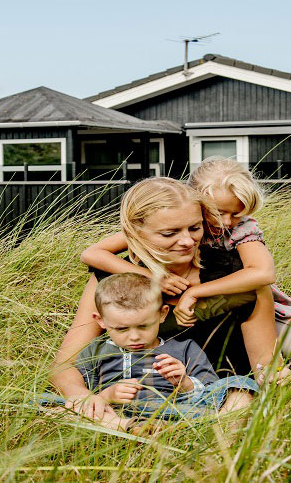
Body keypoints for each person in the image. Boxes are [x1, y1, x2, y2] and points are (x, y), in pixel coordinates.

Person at [51, 177, 278, 424]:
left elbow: (265, 362)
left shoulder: (236, 274)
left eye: (194, 228)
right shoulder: (112, 280)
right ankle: (132, 428)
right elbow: (64, 365)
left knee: (241, 396)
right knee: (52, 407)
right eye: (169, 233)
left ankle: (213, 449)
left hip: (215, 395)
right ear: (134, 233)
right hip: (131, 397)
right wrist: (83, 396)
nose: (187, 241)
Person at [44, 272, 257, 432]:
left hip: (177, 409)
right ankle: (130, 427)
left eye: (144, 326)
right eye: (122, 329)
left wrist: (185, 383)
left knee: (239, 387)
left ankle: (222, 442)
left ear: (163, 314)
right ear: (100, 321)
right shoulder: (97, 350)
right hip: (118, 412)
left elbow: (210, 389)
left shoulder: (182, 347)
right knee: (49, 406)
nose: (134, 337)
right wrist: (107, 396)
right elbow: (86, 392)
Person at [187, 156, 291, 362]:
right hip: (203, 310)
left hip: (248, 303)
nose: (227, 221)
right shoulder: (181, 223)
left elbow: (263, 272)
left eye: (236, 213)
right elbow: (118, 245)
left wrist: (196, 291)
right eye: (218, 213)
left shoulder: (241, 228)